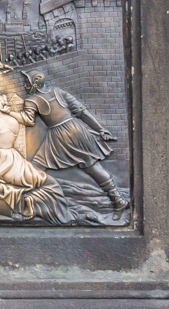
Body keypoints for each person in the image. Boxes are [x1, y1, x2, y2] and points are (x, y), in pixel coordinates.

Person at [24, 69, 127, 211]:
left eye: (27, 81)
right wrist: (99, 129)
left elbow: (28, 120)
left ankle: (25, 202)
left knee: (37, 165)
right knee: (91, 165)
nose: (24, 84)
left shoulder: (32, 99)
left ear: (35, 81)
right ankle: (118, 200)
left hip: (60, 135)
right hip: (77, 130)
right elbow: (81, 112)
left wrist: (9, 112)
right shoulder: (58, 91)